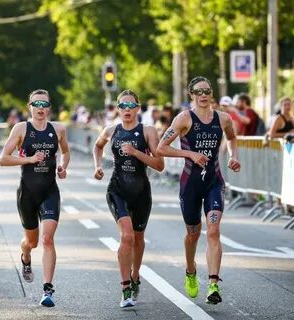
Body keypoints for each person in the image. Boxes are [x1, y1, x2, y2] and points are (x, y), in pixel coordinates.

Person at [156, 76, 241, 305]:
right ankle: (191, 269)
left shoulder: (223, 118)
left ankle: (213, 284)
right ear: (191, 94)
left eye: (207, 90)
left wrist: (233, 156)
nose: (203, 95)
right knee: (193, 234)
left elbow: (232, 138)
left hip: (214, 182)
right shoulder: (184, 118)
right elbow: (161, 148)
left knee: (213, 231)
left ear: (211, 93)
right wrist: (190, 154)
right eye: (198, 91)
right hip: (190, 185)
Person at [93, 89, 164, 308]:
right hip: (117, 190)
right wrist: (97, 166)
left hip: (141, 192)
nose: (126, 110)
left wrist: (136, 153)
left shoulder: (148, 131)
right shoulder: (111, 130)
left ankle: (135, 276)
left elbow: (159, 165)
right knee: (127, 237)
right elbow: (98, 145)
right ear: (117, 109)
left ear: (137, 109)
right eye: (122, 106)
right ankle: (125, 287)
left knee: (138, 238)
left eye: (130, 106)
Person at [0, 89, 70, 307]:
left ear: (49, 107)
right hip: (27, 193)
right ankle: (25, 256)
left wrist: (62, 166)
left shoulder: (58, 129)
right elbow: (3, 159)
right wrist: (29, 159)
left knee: (48, 239)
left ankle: (47, 290)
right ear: (29, 106)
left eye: (44, 104)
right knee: (32, 242)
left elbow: (65, 152)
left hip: (49, 191)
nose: (40, 108)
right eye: (36, 104)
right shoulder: (21, 129)